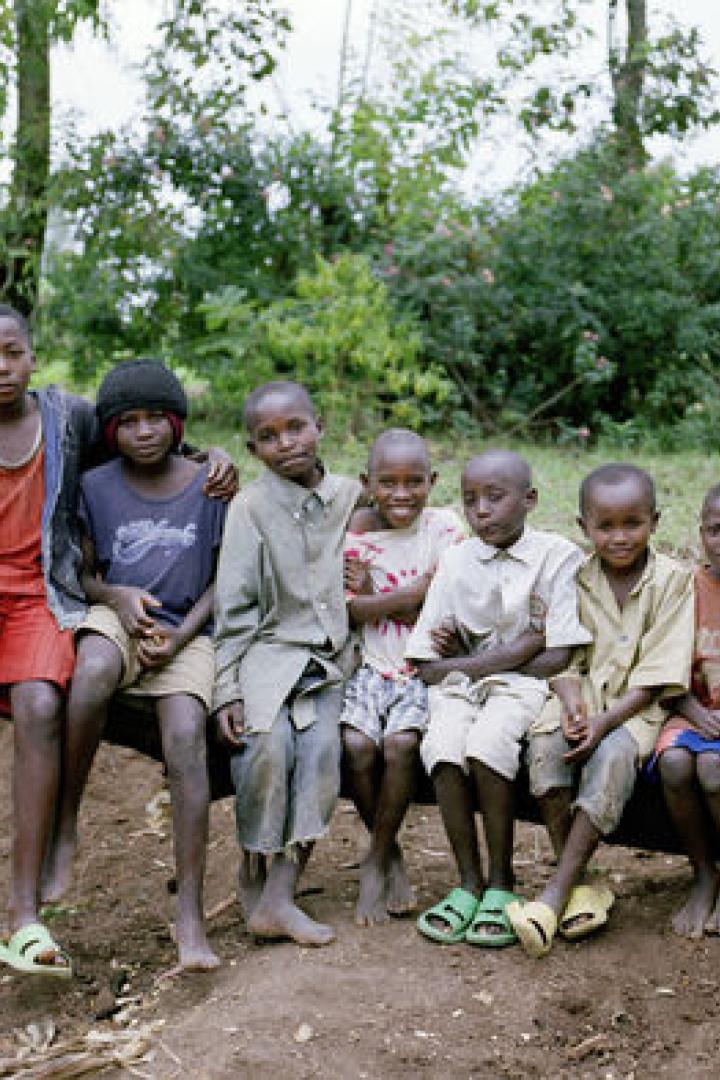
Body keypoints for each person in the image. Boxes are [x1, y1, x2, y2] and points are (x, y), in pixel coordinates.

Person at [0, 309, 233, 978]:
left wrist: (210, 456)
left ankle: (181, 911)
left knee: (172, 726)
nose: (141, 431)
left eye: (13, 352)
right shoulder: (102, 481)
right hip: (110, 610)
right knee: (93, 664)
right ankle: (62, 829)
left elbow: (145, 439)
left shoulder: (66, 422)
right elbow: (94, 565)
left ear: (34, 356)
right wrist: (116, 600)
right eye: (128, 424)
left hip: (126, 615)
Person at [508, 463, 693, 957]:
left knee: (611, 755)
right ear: (583, 527)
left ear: (655, 521)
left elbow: (659, 673)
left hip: (637, 706)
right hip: (581, 695)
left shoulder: (673, 581)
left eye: (632, 524)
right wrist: (572, 704)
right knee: (548, 746)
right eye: (604, 526)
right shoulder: (574, 576)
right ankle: (582, 883)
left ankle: (553, 894)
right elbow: (566, 657)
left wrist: (607, 721)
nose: (618, 537)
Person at [407, 450, 590, 946]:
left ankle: (502, 882)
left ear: (529, 499)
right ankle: (467, 880)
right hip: (462, 687)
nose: (481, 510)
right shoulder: (456, 560)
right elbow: (425, 666)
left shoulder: (558, 557)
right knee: (442, 746)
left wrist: (475, 660)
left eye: (495, 496)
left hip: (526, 686)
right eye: (470, 501)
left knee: (487, 744)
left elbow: (557, 658)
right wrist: (515, 650)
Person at [213, 380, 360, 946]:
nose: (286, 444)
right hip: (268, 652)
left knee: (321, 748)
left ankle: (282, 887)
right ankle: (253, 859)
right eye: (268, 437)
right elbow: (234, 610)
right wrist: (226, 688)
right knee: (266, 745)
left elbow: (394, 543)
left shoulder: (350, 498)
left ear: (319, 425)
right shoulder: (249, 509)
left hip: (330, 659)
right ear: (253, 450)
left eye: (296, 427)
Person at [340, 429, 465, 926]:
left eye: (414, 482)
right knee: (356, 746)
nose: (401, 494)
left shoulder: (445, 529)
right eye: (387, 482)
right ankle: (387, 854)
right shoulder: (358, 534)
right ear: (367, 482)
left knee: (399, 745)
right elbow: (350, 613)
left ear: (432, 482)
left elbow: (445, 610)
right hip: (372, 667)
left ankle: (377, 857)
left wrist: (384, 600)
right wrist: (414, 594)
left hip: (423, 669)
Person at [654, 483, 720, 939]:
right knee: (676, 764)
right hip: (693, 709)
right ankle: (703, 872)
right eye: (717, 530)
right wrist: (694, 711)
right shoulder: (685, 588)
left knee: (714, 769)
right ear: (701, 534)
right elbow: (662, 667)